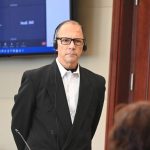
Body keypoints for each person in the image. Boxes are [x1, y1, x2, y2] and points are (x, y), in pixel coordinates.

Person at [11, 20, 106, 150]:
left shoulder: (97, 83)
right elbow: (19, 126)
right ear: (56, 44)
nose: (72, 46)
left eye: (77, 41)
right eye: (66, 40)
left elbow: (90, 128)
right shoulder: (34, 79)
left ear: (83, 45)